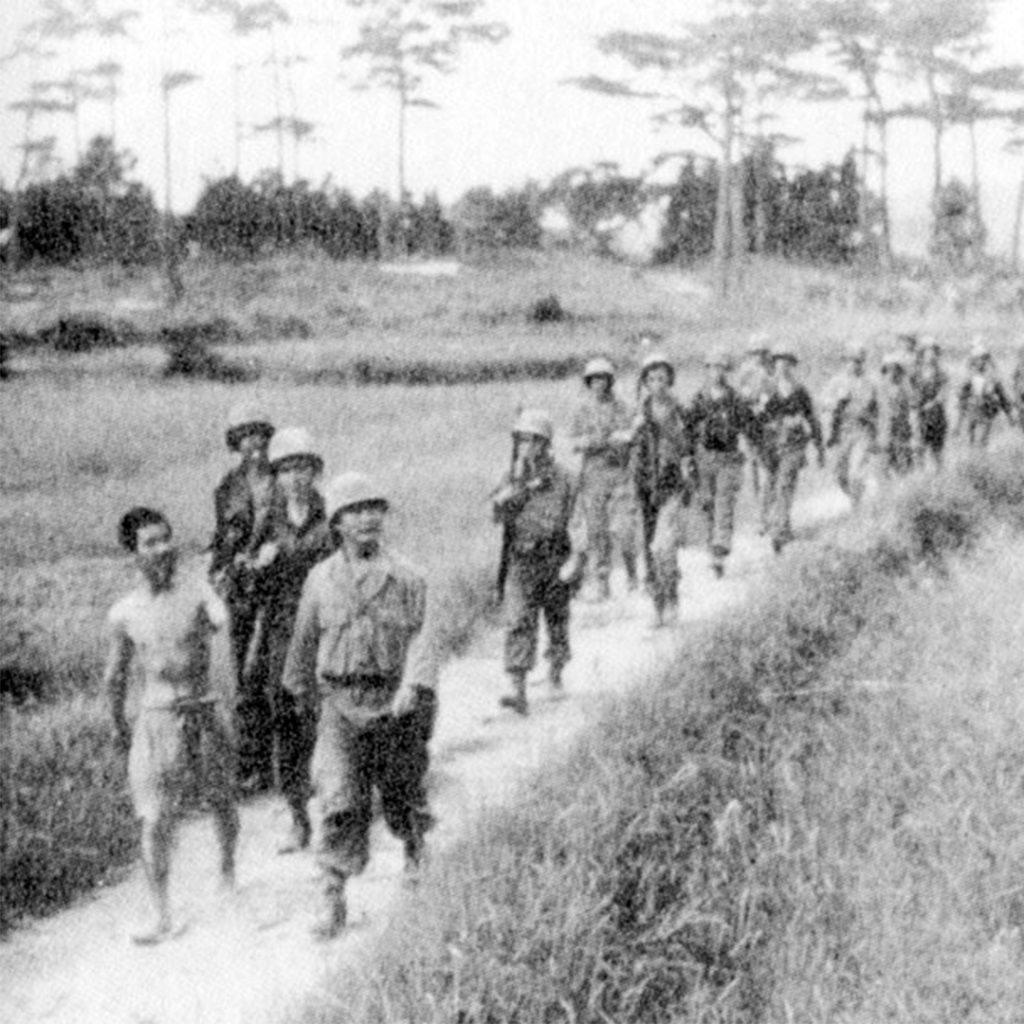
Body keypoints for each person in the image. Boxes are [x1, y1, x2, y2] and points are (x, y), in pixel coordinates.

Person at [282, 473, 436, 940]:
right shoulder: (320, 579)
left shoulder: (409, 577)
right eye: (355, 510)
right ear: (337, 522)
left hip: (393, 703)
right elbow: (304, 642)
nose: (367, 518)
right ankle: (332, 895)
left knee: (401, 789)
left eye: (375, 508)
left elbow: (425, 638)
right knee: (338, 799)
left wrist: (414, 683)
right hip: (339, 704)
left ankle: (414, 852)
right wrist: (298, 692)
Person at [103, 507, 238, 946]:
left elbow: (220, 616)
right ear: (134, 553)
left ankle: (227, 871)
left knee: (221, 798)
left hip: (205, 708)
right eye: (150, 543)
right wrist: (120, 729)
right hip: (156, 717)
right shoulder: (124, 613)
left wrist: (218, 606)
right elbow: (115, 677)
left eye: (166, 539)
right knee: (154, 817)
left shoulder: (197, 591)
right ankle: (161, 913)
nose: (162, 549)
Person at [247, 427, 333, 853]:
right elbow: (246, 582)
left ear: (315, 472)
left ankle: (339, 810)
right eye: (286, 469)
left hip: (327, 630)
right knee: (288, 725)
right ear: (276, 475)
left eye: (303, 467)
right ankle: (298, 817)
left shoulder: (332, 515)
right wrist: (259, 566)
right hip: (283, 633)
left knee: (331, 718)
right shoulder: (268, 520)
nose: (296, 477)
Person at [209, 401, 277, 794]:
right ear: (235, 441)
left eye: (259, 433)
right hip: (241, 590)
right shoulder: (227, 485)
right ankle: (253, 765)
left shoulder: (283, 478)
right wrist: (217, 567)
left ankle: (282, 759)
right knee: (243, 677)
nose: (253, 442)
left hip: (276, 587)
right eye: (245, 435)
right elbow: (222, 536)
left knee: (265, 673)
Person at [492, 408, 575, 714]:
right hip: (522, 557)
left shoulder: (565, 478)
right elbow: (497, 515)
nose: (528, 447)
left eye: (534, 441)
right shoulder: (512, 476)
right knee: (518, 619)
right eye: (522, 441)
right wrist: (509, 495)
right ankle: (517, 687)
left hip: (555, 555)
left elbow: (576, 520)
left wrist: (576, 559)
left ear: (546, 443)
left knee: (556, 617)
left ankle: (556, 668)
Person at [630, 351, 696, 624]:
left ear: (670, 380)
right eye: (652, 378)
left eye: (662, 378)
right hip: (645, 486)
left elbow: (690, 449)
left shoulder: (680, 412)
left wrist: (689, 475)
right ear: (645, 382)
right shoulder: (639, 413)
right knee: (649, 548)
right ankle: (658, 604)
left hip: (671, 486)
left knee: (663, 546)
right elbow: (629, 452)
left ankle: (672, 597)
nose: (657, 383)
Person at [569, 356, 639, 599]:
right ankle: (602, 579)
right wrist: (588, 442)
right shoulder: (582, 409)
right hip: (593, 475)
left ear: (610, 381)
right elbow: (574, 441)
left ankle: (632, 573)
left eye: (603, 379)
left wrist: (622, 437)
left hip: (619, 473)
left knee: (624, 528)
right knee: (597, 530)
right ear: (588, 382)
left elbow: (634, 431)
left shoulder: (622, 406)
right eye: (594, 379)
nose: (599, 384)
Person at [689, 348, 760, 577]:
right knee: (707, 504)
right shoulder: (699, 398)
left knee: (724, 503)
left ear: (726, 371)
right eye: (712, 367)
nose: (716, 372)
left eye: (721, 367)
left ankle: (720, 548)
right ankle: (712, 548)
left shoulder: (735, 399)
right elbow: (688, 429)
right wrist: (688, 456)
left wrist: (753, 446)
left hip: (728, 458)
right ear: (707, 370)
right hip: (705, 457)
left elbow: (749, 426)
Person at [760, 347, 824, 554]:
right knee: (771, 485)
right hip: (771, 446)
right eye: (779, 361)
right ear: (774, 364)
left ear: (792, 365)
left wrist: (819, 445)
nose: (782, 366)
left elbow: (812, 418)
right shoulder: (766, 388)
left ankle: (779, 533)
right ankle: (780, 525)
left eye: (787, 362)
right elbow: (756, 419)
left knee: (785, 485)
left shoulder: (800, 390)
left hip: (794, 445)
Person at [825, 344, 878, 506]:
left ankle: (856, 504)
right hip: (841, 432)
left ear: (862, 363)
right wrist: (837, 402)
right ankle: (855, 496)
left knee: (856, 472)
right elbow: (824, 403)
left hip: (861, 431)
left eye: (857, 361)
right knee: (839, 475)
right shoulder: (836, 382)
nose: (853, 364)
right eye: (849, 360)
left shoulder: (869, 383)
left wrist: (872, 424)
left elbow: (876, 410)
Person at [734, 333, 776, 532]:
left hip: (769, 429)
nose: (758, 356)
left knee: (766, 472)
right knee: (754, 474)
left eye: (762, 352)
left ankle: (763, 515)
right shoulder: (745, 372)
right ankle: (762, 513)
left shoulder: (773, 372)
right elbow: (738, 398)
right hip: (750, 429)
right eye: (755, 353)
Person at [955, 341, 1015, 446]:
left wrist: (1010, 416)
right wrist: (958, 424)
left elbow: (1003, 397)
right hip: (973, 411)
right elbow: (961, 399)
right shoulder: (969, 378)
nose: (980, 362)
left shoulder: (992, 378)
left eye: (983, 359)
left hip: (987, 411)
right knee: (971, 439)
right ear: (973, 361)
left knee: (984, 438)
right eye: (977, 360)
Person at [877, 353, 919, 476]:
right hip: (885, 426)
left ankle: (903, 479)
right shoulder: (881, 386)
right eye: (889, 369)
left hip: (902, 426)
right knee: (885, 457)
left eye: (894, 368)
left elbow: (913, 406)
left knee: (903, 456)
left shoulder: (905, 386)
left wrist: (913, 425)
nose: (892, 372)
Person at [915, 338, 949, 470]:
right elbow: (911, 391)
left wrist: (933, 403)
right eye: (927, 352)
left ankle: (938, 474)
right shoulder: (916, 373)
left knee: (937, 449)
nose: (930, 356)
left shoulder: (941, 373)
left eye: (933, 352)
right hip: (919, 414)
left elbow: (943, 392)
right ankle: (920, 475)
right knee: (919, 447)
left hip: (936, 415)